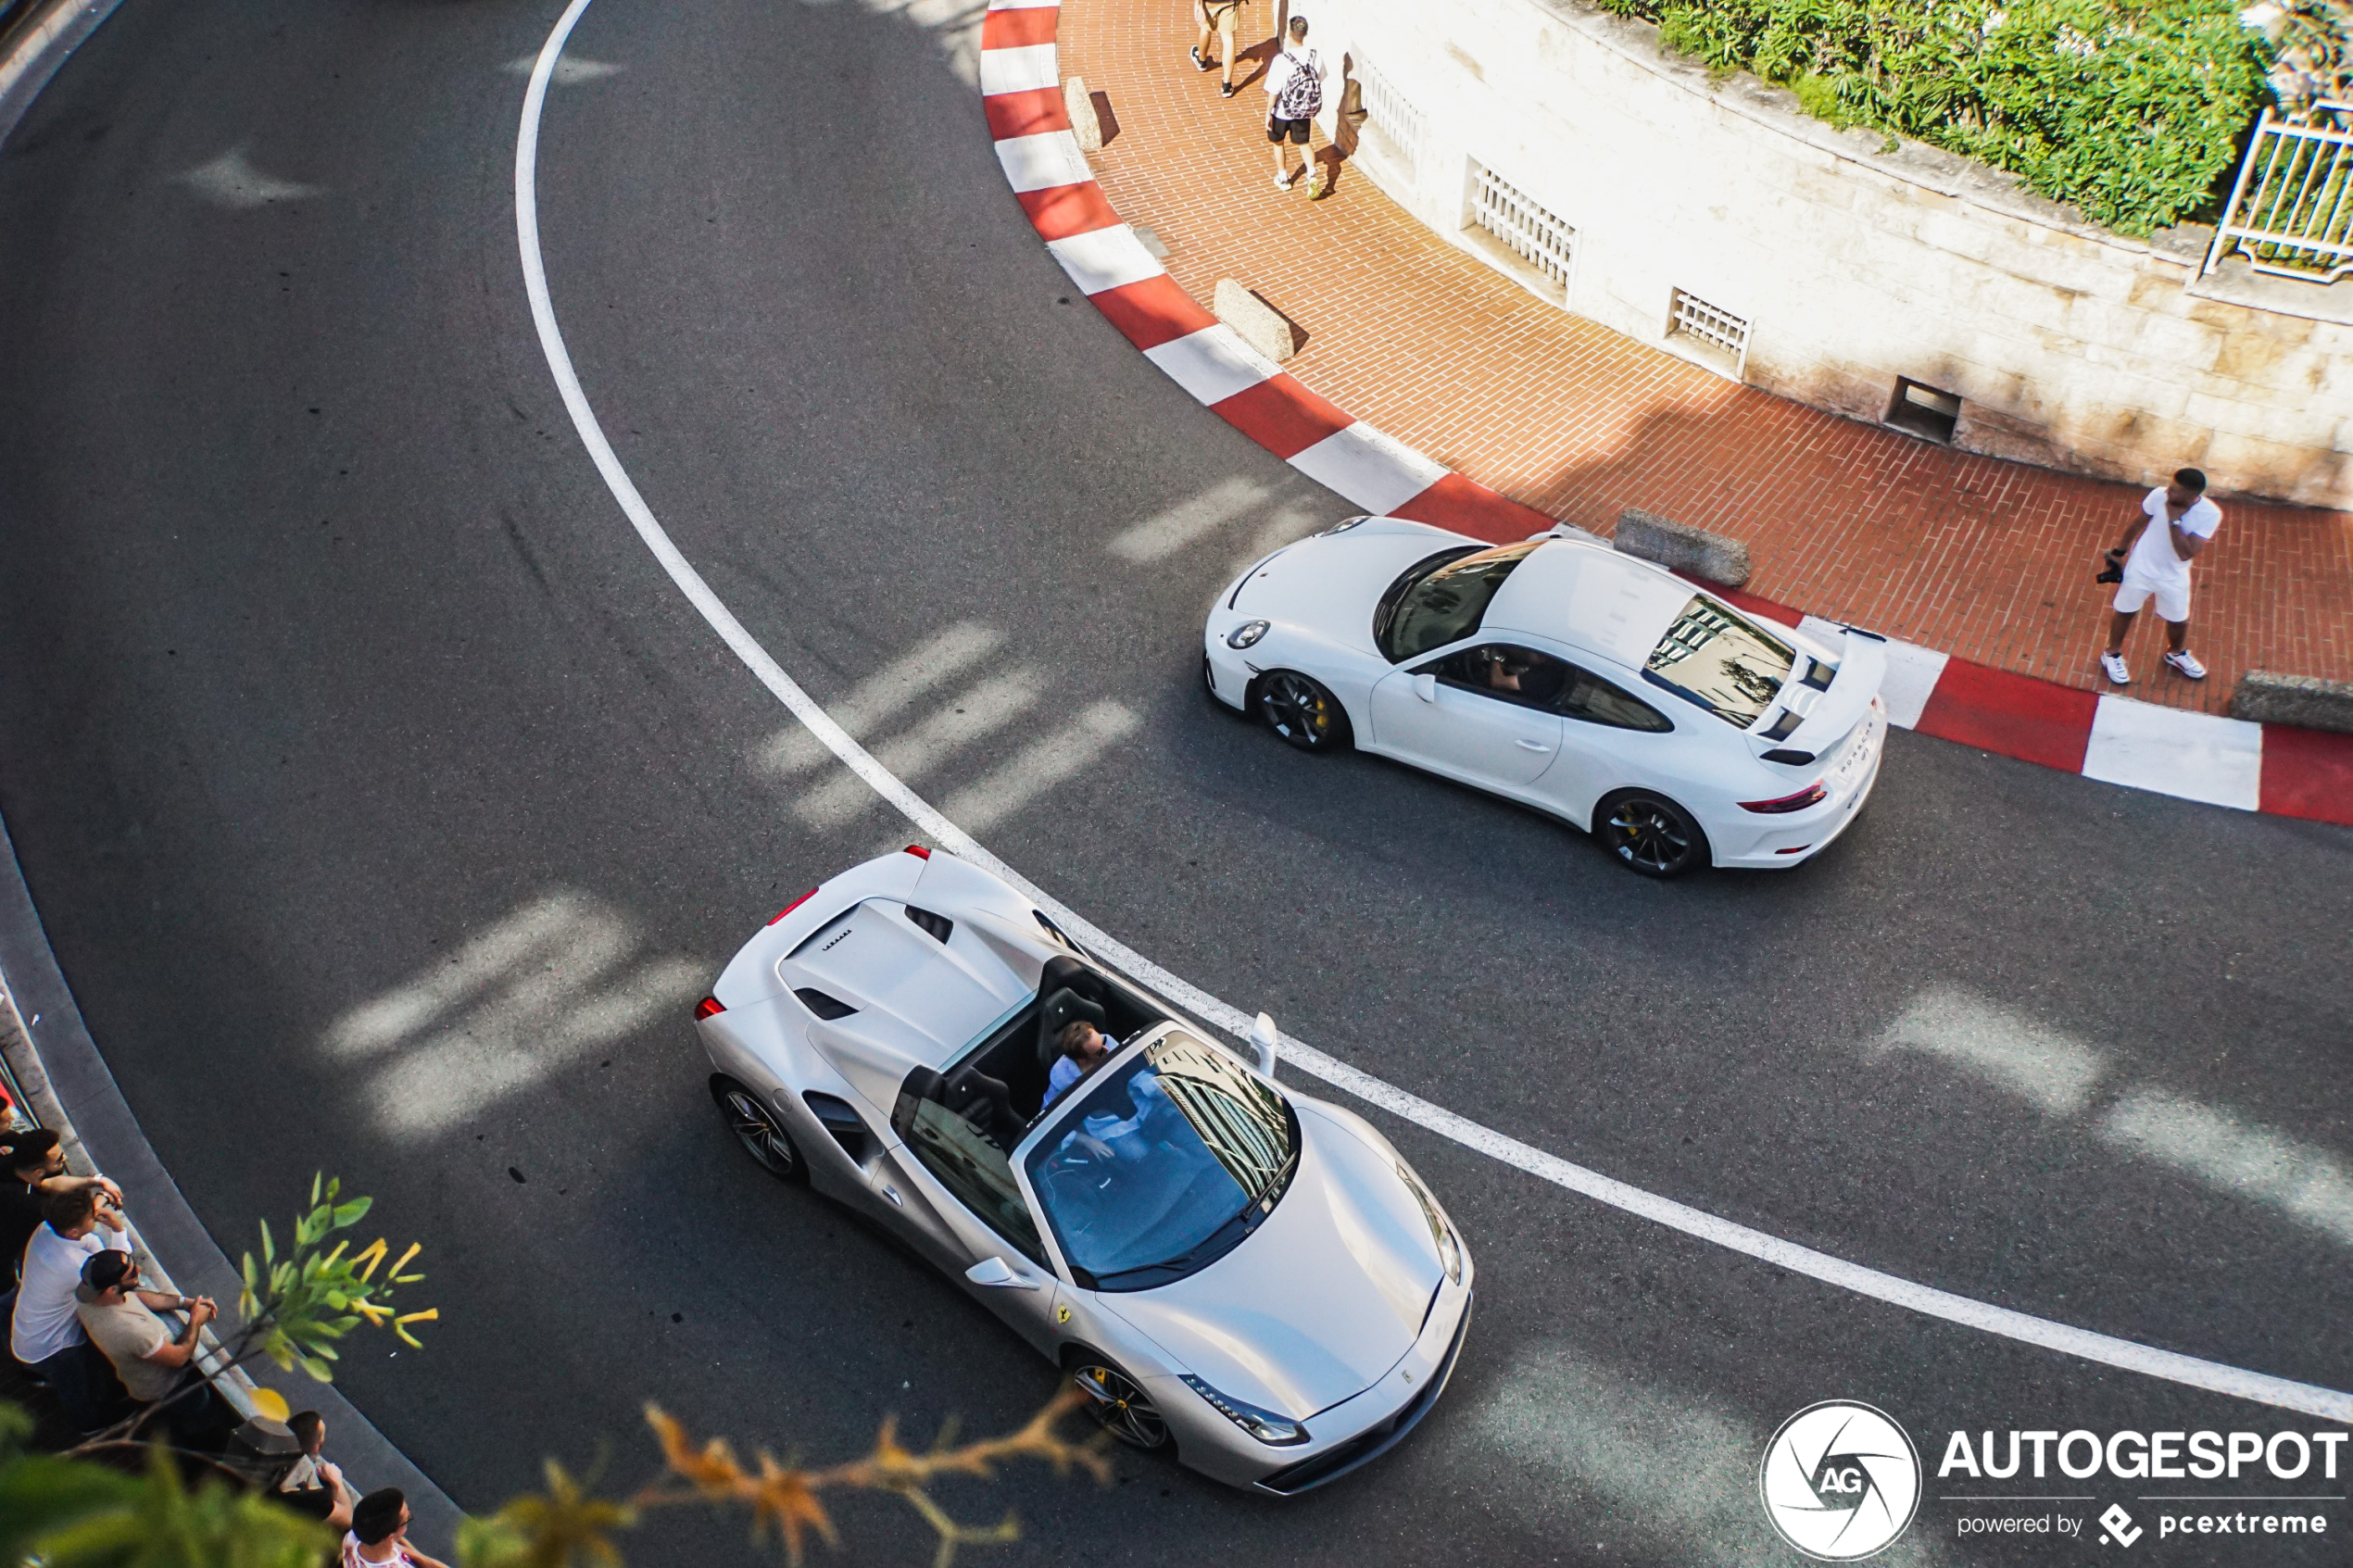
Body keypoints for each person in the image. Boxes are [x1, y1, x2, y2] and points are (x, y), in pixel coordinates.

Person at [74, 1248, 236, 1448]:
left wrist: (185, 1303)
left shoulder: (90, 1300)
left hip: (141, 1379)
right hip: (167, 1388)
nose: (139, 1269)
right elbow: (179, 1357)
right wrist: (195, 1320)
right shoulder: (130, 1330)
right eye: (132, 1273)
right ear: (112, 1290)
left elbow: (137, 1298)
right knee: (200, 1412)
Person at [9, 1186, 132, 1432]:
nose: (95, 1218)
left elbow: (93, 1249)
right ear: (74, 1230)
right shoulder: (74, 1267)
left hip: (26, 1330)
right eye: (91, 1217)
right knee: (77, 1389)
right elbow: (116, 1269)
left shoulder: (44, 1231)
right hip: (54, 1346)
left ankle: (36, 1375)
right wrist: (118, 1230)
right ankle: (89, 1423)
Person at [2099, 467, 2221, 685]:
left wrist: (2174, 521)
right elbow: (2138, 523)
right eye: (2170, 487)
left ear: (2192, 496)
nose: (2168, 493)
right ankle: (2111, 654)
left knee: (2178, 620)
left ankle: (2175, 653)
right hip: (2141, 567)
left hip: (2174, 576)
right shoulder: (2158, 495)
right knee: (2125, 611)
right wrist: (2119, 552)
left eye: (2175, 491)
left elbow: (2185, 553)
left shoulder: (2211, 514)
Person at [2, 1130, 123, 1282]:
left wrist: (97, 1181)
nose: (65, 1158)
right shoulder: (26, 1204)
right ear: (38, 1171)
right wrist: (104, 1196)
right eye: (59, 1160)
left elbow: (48, 1183)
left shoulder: (15, 1163)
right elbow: (75, 1216)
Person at [1264, 16, 1327, 196]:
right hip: (1304, 111)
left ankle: (1283, 178)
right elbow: (1319, 79)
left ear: (1290, 33)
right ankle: (1312, 175)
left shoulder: (1281, 60)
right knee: (1304, 143)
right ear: (1305, 33)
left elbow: (1274, 90)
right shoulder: (1315, 56)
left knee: (1278, 142)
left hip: (1282, 111)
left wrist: (1268, 112)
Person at [279, 1409, 360, 1530]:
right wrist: (337, 1483)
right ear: (316, 1448)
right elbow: (348, 1518)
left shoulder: (273, 1455)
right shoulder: (312, 1492)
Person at [344, 1487, 450, 1568]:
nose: (409, 1514)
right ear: (390, 1536)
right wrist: (419, 1557)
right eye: (407, 1519)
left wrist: (410, 1552)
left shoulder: (351, 1537)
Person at [1044, 1020, 1116, 1109]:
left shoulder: (1107, 1039)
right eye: (1099, 1051)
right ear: (1081, 1060)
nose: (1107, 1049)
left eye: (1103, 1042)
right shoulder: (1061, 1076)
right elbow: (1050, 1110)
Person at [1191, 0, 1248, 98]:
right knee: (1228, 38)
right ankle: (1227, 85)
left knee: (1205, 29)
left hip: (1210, 2)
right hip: (1231, 2)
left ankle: (1201, 60)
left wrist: (1199, 3)